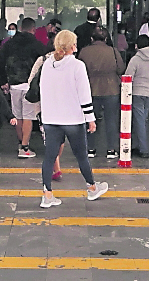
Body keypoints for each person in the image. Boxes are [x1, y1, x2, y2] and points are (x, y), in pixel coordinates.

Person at [34, 30, 108, 208]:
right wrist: (91, 118)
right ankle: (91, 187)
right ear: (71, 46)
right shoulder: (77, 66)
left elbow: (42, 91)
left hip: (51, 118)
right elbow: (84, 95)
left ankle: (47, 194)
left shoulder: (47, 65)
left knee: (49, 157)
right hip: (73, 118)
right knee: (81, 155)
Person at [0, 17, 47, 158]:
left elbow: (0, 63)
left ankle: (20, 143)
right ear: (33, 29)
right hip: (30, 86)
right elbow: (45, 60)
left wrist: (3, 81)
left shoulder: (9, 44)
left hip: (14, 85)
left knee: (17, 116)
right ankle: (25, 147)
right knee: (28, 117)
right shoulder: (37, 44)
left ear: (20, 28)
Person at [78, 26, 123, 160]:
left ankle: (90, 149)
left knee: (90, 119)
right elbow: (121, 68)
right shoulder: (113, 51)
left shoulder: (84, 52)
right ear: (106, 38)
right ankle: (111, 149)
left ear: (91, 38)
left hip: (90, 89)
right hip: (111, 89)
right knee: (111, 120)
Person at [125, 33, 149, 159]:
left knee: (139, 121)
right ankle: (138, 145)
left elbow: (128, 76)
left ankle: (143, 149)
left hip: (137, 93)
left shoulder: (135, 59)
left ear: (136, 46)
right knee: (141, 120)